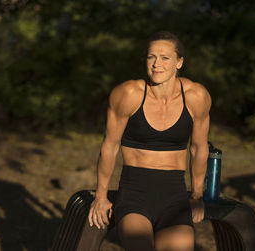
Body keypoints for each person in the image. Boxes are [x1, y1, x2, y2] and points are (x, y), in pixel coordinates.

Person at [88, 31, 211, 251]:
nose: (156, 64)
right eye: (151, 57)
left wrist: (197, 195)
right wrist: (101, 196)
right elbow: (110, 145)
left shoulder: (196, 96)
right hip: (134, 193)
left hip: (174, 196)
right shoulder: (128, 93)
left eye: (165, 58)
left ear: (179, 62)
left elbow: (199, 148)